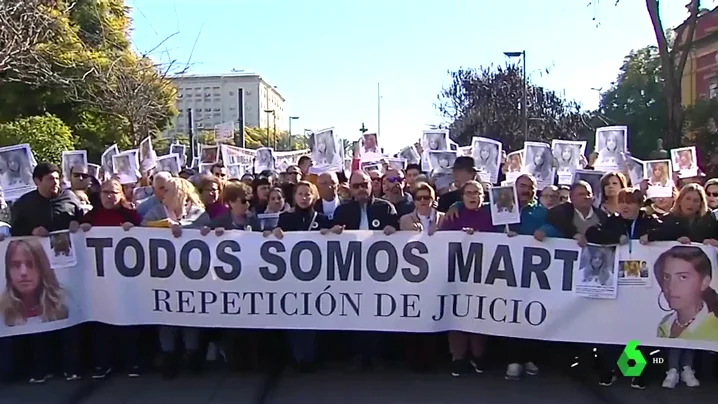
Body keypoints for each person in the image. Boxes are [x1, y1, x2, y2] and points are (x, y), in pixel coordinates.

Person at [141, 177, 210, 379]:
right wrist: (164, 227)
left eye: (168, 190)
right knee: (167, 315)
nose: (163, 194)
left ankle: (192, 353)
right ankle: (169, 356)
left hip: (191, 276)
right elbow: (142, 230)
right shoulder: (156, 212)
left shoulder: (199, 214)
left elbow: (206, 232)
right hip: (165, 274)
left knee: (191, 314)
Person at [331, 171, 398, 369]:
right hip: (351, 271)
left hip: (380, 271)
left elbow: (400, 234)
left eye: (364, 185)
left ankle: (377, 354)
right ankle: (357, 354)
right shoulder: (342, 211)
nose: (361, 189)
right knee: (354, 311)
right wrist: (334, 231)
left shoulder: (386, 207)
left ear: (371, 185)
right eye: (356, 186)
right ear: (350, 188)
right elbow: (330, 236)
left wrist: (395, 231)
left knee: (377, 311)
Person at [267, 181, 334, 372]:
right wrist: (274, 233)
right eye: (300, 194)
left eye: (307, 194)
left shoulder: (322, 219)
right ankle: (298, 358)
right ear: (294, 197)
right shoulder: (285, 218)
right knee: (295, 318)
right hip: (292, 277)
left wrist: (331, 233)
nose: (304, 198)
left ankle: (312, 357)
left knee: (314, 319)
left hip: (317, 279)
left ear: (314, 196)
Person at [79, 178, 142, 378]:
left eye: (113, 192)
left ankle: (132, 362)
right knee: (102, 323)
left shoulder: (131, 215)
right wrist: (78, 228)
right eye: (105, 192)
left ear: (121, 194)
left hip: (126, 281)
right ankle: (103, 363)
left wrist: (134, 230)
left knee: (128, 321)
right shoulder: (91, 216)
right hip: (100, 282)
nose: (109, 196)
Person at [439, 180, 494, 376]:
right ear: (461, 197)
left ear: (483, 196)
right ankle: (458, 357)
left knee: (479, 312)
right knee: (457, 314)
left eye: (476, 192)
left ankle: (478, 356)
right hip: (456, 274)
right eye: (468, 193)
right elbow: (441, 241)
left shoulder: (492, 215)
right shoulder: (453, 215)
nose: (472, 196)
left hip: (484, 274)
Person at [654, 246, 718, 388]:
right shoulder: (664, 324)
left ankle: (686, 369)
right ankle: (673, 370)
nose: (671, 286)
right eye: (666, 277)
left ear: (704, 282)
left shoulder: (714, 326)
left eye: (682, 277)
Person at [398, 182, 444, 372]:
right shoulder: (406, 219)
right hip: (413, 277)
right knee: (414, 315)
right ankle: (413, 358)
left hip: (437, 275)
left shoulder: (444, 218)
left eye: (427, 197)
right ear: (414, 201)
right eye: (419, 198)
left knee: (432, 315)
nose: (423, 201)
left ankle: (431, 358)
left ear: (433, 200)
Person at [11, 162, 84, 236]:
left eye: (57, 178)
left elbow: (85, 219)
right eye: (51, 179)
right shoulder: (23, 204)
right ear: (37, 181)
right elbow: (15, 230)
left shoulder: (70, 198)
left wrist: (77, 222)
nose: (56, 182)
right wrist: (32, 231)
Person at [544, 181, 608, 245]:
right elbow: (554, 218)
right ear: (572, 197)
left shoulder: (602, 216)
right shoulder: (561, 212)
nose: (586, 197)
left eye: (588, 194)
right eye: (581, 194)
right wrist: (574, 234)